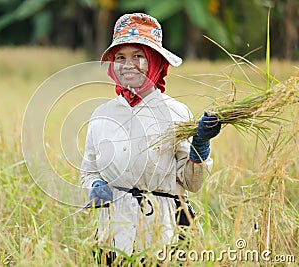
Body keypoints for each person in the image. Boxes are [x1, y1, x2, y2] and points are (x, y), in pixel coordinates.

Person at [80, 13, 221, 265]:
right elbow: (89, 170)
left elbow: (191, 183)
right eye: (120, 58)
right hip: (113, 229)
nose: (128, 64)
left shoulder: (176, 112)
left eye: (138, 56)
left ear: (154, 61)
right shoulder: (102, 114)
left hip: (161, 227)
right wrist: (94, 187)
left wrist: (200, 146)